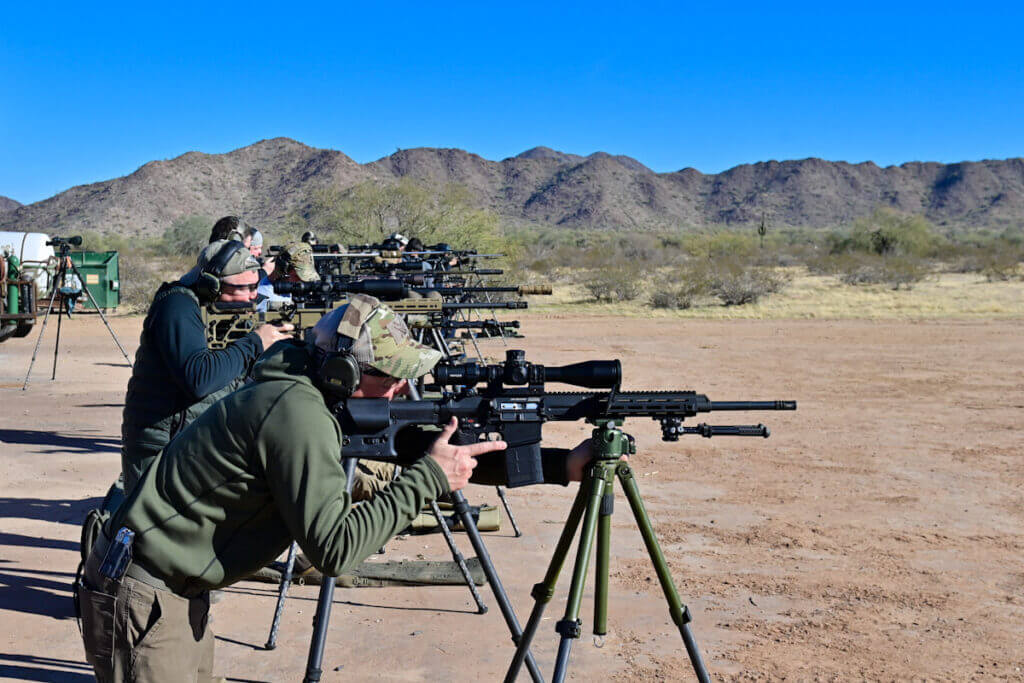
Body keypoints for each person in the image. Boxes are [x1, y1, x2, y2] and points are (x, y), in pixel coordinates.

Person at [76, 295, 594, 682]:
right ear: (346, 373)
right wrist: (432, 479)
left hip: (172, 590)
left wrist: (562, 465)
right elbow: (336, 550)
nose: (399, 389)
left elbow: (420, 454)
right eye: (391, 376)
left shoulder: (308, 393)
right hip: (144, 593)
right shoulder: (297, 414)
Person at [118, 239, 293, 493]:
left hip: (191, 441)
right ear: (211, 285)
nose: (254, 295)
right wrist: (255, 342)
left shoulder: (211, 308)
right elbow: (199, 378)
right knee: (149, 527)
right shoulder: (177, 305)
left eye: (256, 285)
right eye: (244, 287)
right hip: (159, 445)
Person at [255, 240, 318, 312]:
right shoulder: (264, 297)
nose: (302, 281)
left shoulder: (289, 289)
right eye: (297, 276)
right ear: (284, 271)